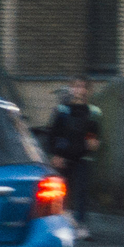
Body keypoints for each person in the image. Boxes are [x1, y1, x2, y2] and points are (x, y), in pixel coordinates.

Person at [44, 76, 102, 238]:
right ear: (71, 89)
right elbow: (53, 133)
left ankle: (80, 225)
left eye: (84, 87)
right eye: (77, 86)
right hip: (64, 157)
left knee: (82, 192)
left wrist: (94, 142)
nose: (80, 90)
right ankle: (59, 223)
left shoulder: (94, 111)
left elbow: (95, 133)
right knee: (61, 192)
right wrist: (55, 154)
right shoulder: (62, 110)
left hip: (83, 157)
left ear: (88, 91)